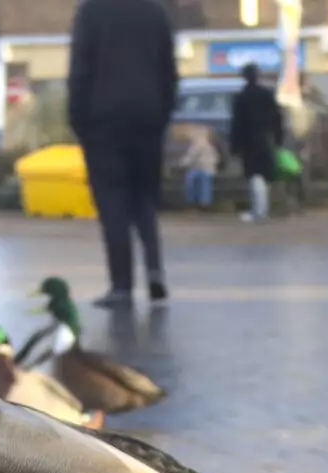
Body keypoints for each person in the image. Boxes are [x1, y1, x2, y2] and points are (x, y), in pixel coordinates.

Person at [67, 0, 179, 308]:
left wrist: (79, 121)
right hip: (147, 117)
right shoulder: (156, 11)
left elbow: (80, 71)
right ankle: (155, 270)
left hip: (103, 120)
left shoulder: (91, 11)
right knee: (144, 197)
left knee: (113, 202)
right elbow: (169, 70)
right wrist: (162, 114)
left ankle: (122, 286)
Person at [229, 63, 282, 223]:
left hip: (248, 140)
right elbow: (277, 118)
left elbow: (237, 123)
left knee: (253, 175)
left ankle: (258, 211)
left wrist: (234, 145)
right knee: (264, 174)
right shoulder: (267, 94)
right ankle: (261, 210)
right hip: (266, 138)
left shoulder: (241, 96)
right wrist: (279, 138)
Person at [179, 124, 217, 210]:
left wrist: (182, 164)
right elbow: (188, 159)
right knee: (191, 179)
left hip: (206, 169)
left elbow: (190, 158)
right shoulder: (196, 147)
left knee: (202, 180)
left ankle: (203, 203)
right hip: (198, 169)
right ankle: (194, 202)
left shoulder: (207, 147)